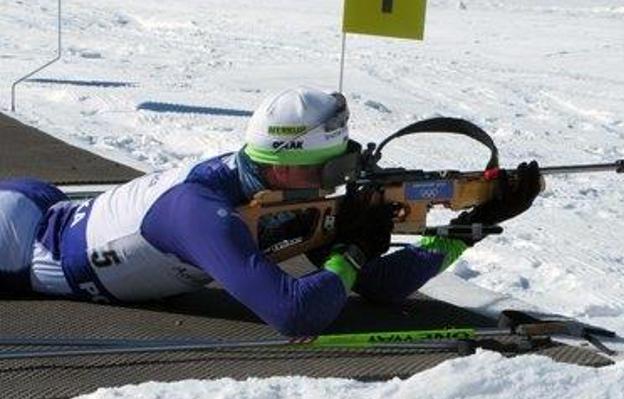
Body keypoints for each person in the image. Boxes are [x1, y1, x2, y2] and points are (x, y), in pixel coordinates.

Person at [0, 87, 541, 336]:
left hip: (59, 208)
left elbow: (376, 285)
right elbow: (296, 314)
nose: (344, 180)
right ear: (286, 169)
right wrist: (350, 249)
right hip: (21, 242)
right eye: (332, 170)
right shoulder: (198, 211)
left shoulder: (278, 195)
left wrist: (463, 233)